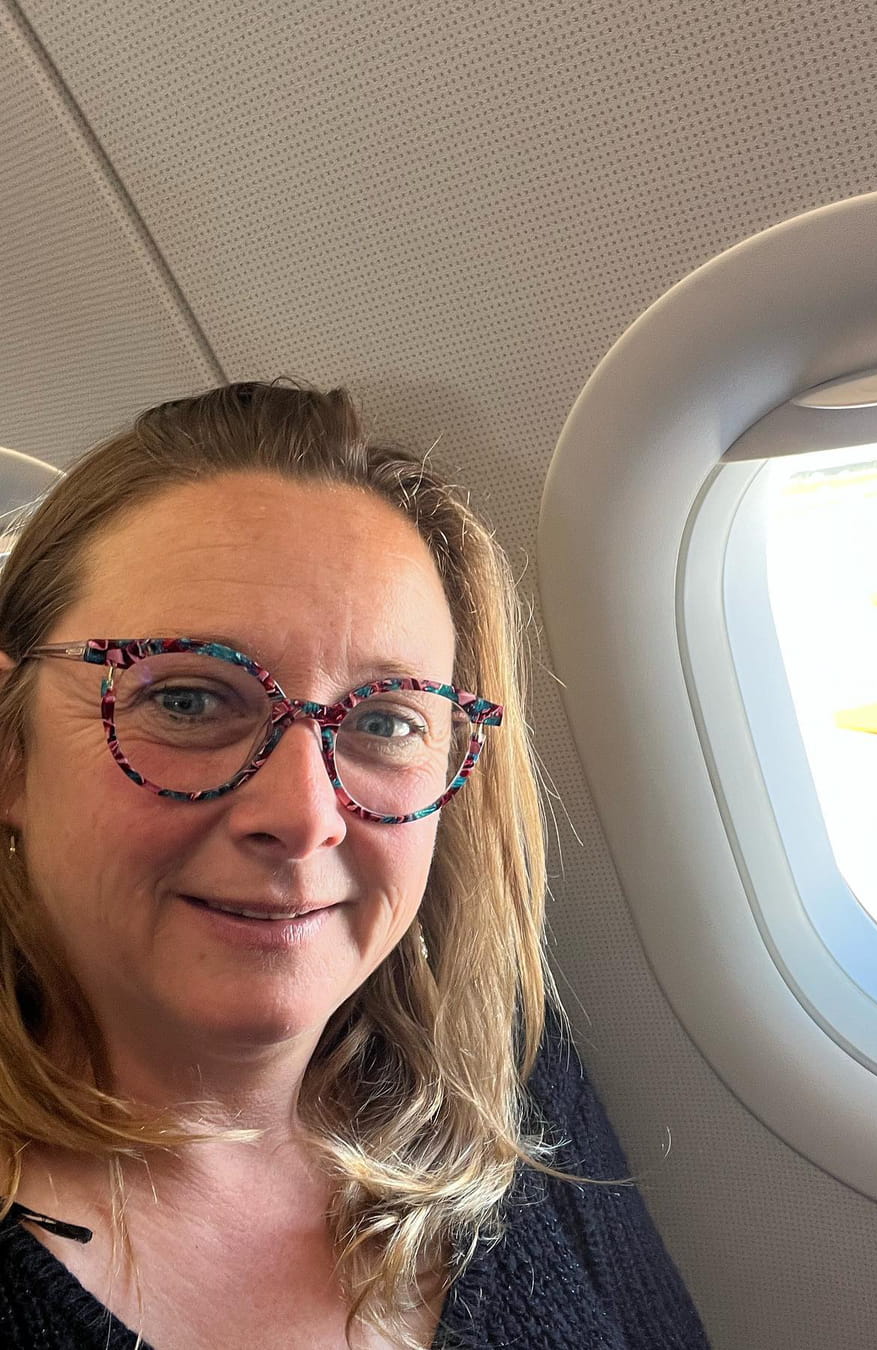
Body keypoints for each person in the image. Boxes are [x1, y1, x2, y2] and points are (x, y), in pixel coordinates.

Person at [0, 378, 709, 1350]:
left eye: (384, 722)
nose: (304, 819)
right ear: (12, 751)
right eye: (189, 701)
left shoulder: (496, 1074)